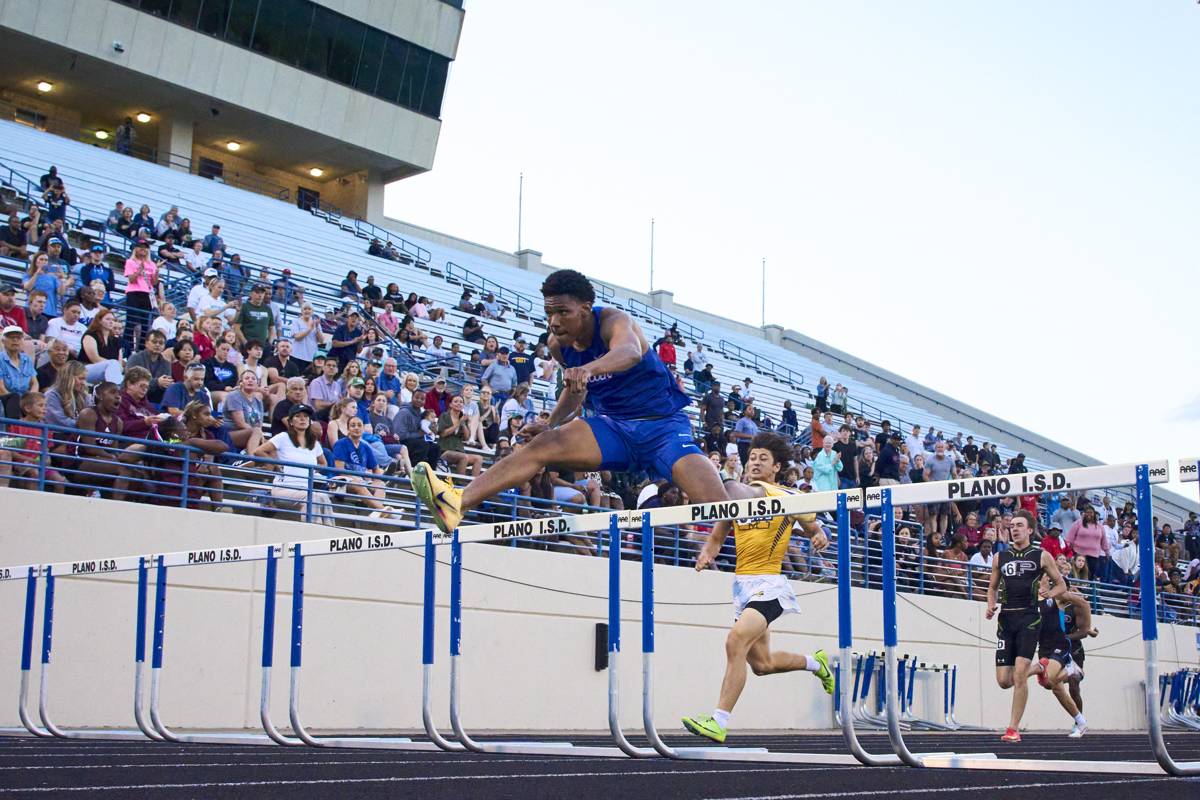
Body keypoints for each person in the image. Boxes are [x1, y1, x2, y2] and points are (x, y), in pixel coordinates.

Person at [413, 270, 722, 534]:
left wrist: (589, 369)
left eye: (562, 312)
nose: (554, 321)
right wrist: (550, 423)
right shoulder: (557, 345)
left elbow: (629, 353)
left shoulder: (613, 321)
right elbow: (575, 393)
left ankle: (744, 549)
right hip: (614, 429)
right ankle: (455, 504)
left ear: (585, 308)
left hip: (663, 428)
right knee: (542, 445)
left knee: (718, 505)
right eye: (549, 313)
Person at [681, 432, 835, 743]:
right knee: (762, 664)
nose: (755, 463)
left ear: (777, 467)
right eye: (752, 458)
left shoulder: (788, 497)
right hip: (743, 587)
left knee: (735, 641)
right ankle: (815, 663)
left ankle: (719, 721)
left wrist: (819, 536)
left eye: (763, 459)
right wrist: (706, 554)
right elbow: (717, 536)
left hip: (770, 585)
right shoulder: (738, 502)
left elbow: (815, 529)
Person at [986, 509, 1069, 743]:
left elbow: (1061, 585)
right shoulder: (1000, 557)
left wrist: (1049, 593)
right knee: (1004, 681)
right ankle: (1040, 668)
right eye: (1012, 525)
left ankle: (1013, 728)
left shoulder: (1041, 556)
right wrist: (990, 605)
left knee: (1020, 674)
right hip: (1006, 620)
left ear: (1030, 530)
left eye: (1019, 525)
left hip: (1029, 619)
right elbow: (992, 587)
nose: (1015, 529)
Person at [1028, 575, 1091, 738]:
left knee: (1069, 685)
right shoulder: (1033, 599)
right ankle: (1081, 721)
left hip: (1061, 644)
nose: (1042, 581)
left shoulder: (1059, 597)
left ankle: (1071, 670)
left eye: (1045, 579)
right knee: (1050, 685)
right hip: (1044, 646)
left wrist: (1087, 628)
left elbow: (1084, 604)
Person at [254, 404, 334, 523]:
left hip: (305, 489)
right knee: (314, 497)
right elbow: (258, 451)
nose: (302, 419)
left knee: (323, 497)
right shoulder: (283, 437)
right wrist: (276, 464)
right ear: (291, 421)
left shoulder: (314, 442)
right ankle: (313, 529)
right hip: (283, 489)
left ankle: (328, 530)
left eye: (306, 416)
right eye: (298, 416)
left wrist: (310, 472)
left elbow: (323, 463)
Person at [331, 415, 399, 519]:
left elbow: (375, 469)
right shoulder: (341, 444)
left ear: (363, 429)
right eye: (353, 425)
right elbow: (340, 470)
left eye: (359, 425)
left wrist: (377, 480)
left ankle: (376, 513)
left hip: (360, 481)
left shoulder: (366, 446)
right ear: (348, 429)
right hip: (341, 481)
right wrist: (355, 478)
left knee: (380, 485)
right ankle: (385, 511)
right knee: (358, 483)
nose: (356, 428)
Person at [437, 395, 484, 476]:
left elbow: (466, 437)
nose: (459, 403)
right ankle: (460, 481)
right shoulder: (444, 416)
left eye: (461, 402)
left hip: (459, 450)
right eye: (456, 402)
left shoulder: (462, 417)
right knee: (463, 457)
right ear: (450, 404)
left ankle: (474, 482)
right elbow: (443, 434)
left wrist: (463, 423)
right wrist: (458, 423)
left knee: (479, 458)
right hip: (445, 450)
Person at [224, 370, 266, 454]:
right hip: (229, 434)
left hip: (253, 434)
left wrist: (262, 438)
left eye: (253, 379)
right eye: (247, 378)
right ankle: (250, 458)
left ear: (257, 384)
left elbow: (259, 425)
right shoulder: (234, 396)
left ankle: (275, 464)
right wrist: (259, 434)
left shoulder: (258, 401)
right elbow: (241, 424)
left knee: (272, 445)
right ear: (241, 383)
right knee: (256, 431)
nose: (250, 380)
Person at [0, 325, 37, 418]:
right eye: (11, 337)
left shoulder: (27, 359)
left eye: (18, 338)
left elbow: (35, 383)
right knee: (14, 398)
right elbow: (1, 389)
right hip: (5, 399)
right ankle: (13, 427)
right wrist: (20, 403)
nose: (15, 340)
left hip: (24, 402)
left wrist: (31, 398)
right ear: (3, 341)